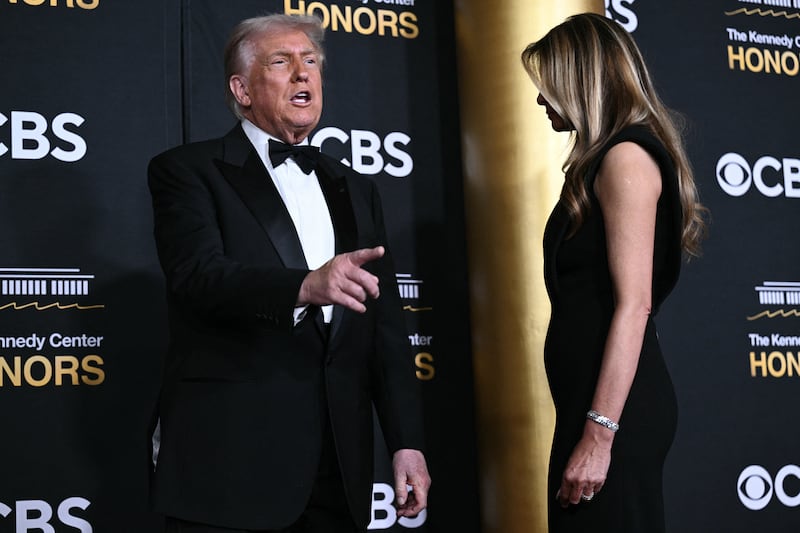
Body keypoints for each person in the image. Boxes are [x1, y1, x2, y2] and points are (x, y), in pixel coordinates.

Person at [147, 14, 430, 533]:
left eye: (311, 62)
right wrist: (305, 286)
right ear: (242, 88)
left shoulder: (356, 186)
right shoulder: (188, 170)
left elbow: (384, 326)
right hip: (232, 464)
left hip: (338, 466)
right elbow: (197, 277)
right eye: (282, 62)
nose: (304, 74)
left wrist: (405, 442)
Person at [520, 13, 706, 533]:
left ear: (581, 82)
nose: (540, 100)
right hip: (595, 405)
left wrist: (600, 435)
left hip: (612, 415)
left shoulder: (624, 157)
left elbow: (634, 305)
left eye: (548, 86)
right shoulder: (607, 158)